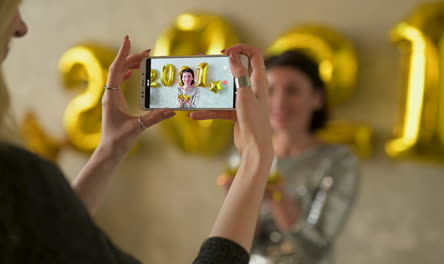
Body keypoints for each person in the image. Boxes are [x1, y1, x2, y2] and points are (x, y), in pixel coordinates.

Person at [0, 1, 273, 263]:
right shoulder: (16, 175)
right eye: (12, 8)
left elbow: (48, 248)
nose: (22, 27)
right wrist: (255, 158)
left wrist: (110, 150)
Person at [220, 50, 359, 264]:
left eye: (292, 90)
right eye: (271, 90)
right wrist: (241, 202)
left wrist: (278, 197)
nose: (279, 101)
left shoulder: (338, 161)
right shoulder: (242, 152)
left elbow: (316, 249)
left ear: (317, 98)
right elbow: (241, 244)